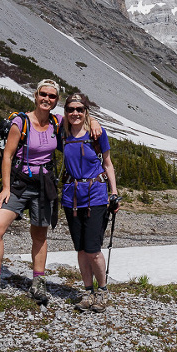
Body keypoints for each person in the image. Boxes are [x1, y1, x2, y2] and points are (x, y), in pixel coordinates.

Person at [0, 80, 100, 304]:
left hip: (44, 185)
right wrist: (6, 188)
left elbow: (80, 117)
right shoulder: (21, 122)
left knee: (39, 235)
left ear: (56, 101)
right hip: (19, 184)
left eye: (52, 96)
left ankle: (38, 283)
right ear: (36, 95)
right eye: (43, 94)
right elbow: (8, 156)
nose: (47, 99)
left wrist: (94, 120)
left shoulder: (58, 122)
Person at [61, 93, 119, 313]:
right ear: (65, 112)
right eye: (70, 109)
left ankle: (101, 291)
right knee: (81, 250)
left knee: (93, 249)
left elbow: (108, 163)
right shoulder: (62, 132)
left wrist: (113, 192)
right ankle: (87, 292)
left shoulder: (97, 133)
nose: (75, 113)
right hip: (71, 197)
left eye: (80, 109)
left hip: (95, 195)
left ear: (86, 111)